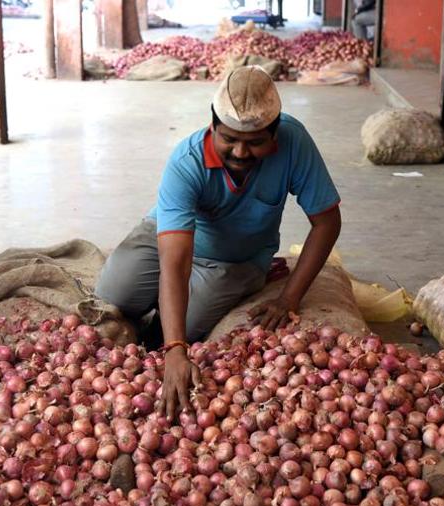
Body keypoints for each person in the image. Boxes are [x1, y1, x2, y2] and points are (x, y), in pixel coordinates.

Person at [96, 66, 342, 420]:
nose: (241, 151)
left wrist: (289, 297)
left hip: (235, 258)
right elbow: (175, 262)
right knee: (113, 293)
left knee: (186, 322)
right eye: (229, 139)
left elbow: (326, 222)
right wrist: (177, 350)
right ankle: (148, 326)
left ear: (275, 134)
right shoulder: (187, 161)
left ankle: (158, 330)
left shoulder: (294, 143)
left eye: (255, 142)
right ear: (212, 127)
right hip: (169, 235)